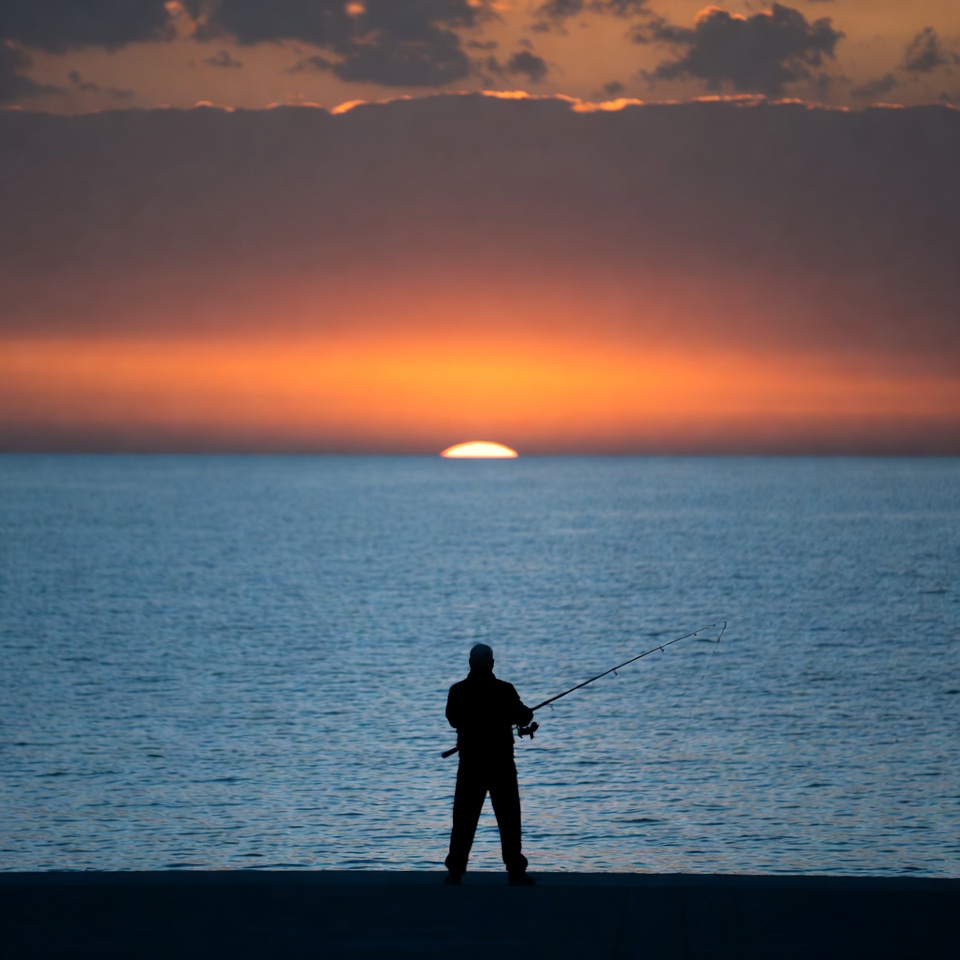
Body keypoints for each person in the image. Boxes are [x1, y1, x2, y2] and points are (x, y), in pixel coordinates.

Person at [444, 643, 535, 886]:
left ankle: (455, 872)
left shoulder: (458, 691)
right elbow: (524, 716)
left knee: (464, 819)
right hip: (501, 763)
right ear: (492, 664)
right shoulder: (504, 690)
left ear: (470, 663)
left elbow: (453, 719)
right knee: (509, 818)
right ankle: (516, 871)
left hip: (470, 764)